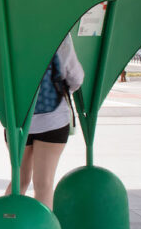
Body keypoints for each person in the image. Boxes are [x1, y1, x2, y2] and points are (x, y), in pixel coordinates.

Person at [5, 33, 84, 210]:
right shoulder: (59, 31)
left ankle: (8, 226)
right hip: (53, 119)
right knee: (44, 184)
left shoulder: (8, 31)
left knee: (19, 180)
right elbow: (75, 77)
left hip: (17, 118)